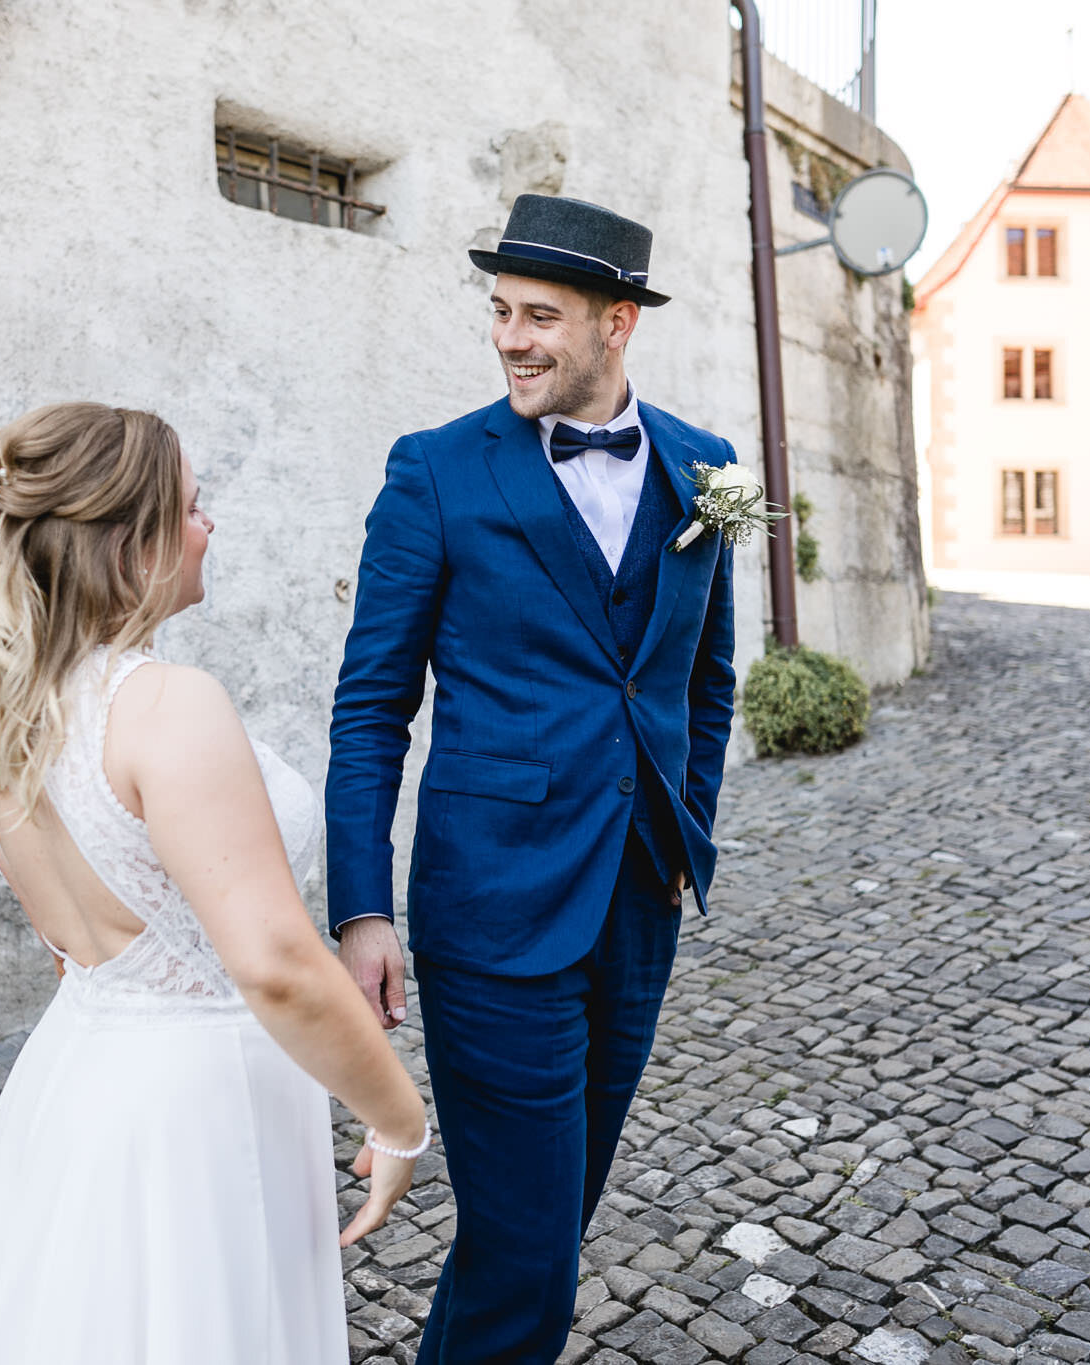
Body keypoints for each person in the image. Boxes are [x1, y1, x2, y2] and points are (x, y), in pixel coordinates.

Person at [0, 401, 428, 1363]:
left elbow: (68, 950)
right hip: (199, 1111)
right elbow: (272, 962)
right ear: (131, 546)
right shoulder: (167, 706)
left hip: (76, 1087)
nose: (208, 525)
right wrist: (398, 1117)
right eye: (191, 507)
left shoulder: (1, 724)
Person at [328, 195, 738, 1362]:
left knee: (545, 1224)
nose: (510, 338)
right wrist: (361, 910)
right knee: (527, 1257)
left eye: (539, 316)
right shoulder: (435, 472)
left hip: (636, 898)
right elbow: (370, 708)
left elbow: (704, 681)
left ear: (618, 327)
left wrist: (682, 838)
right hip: (490, 907)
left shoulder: (707, 474)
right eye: (500, 313)